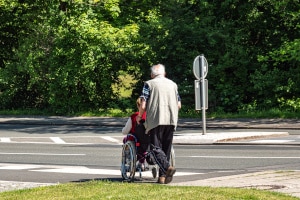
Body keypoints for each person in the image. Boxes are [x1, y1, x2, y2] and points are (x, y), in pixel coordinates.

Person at [136, 63, 181, 184]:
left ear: (152, 75)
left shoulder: (149, 84)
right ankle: (162, 177)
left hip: (156, 119)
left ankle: (167, 168)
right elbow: (179, 105)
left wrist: (139, 116)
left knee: (155, 148)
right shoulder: (173, 84)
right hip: (171, 120)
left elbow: (143, 104)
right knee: (166, 147)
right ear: (164, 74)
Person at [122, 98, 147, 170]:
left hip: (135, 139)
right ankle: (141, 162)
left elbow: (125, 131)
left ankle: (129, 159)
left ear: (138, 105)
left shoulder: (134, 116)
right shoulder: (151, 116)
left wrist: (123, 131)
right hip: (148, 139)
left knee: (126, 139)